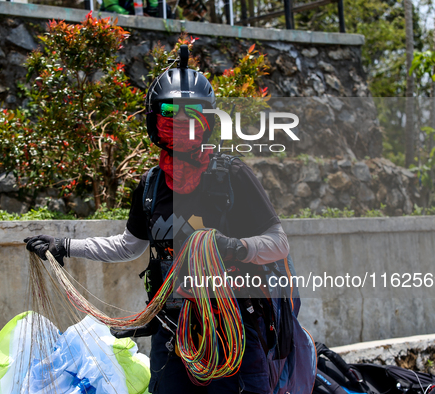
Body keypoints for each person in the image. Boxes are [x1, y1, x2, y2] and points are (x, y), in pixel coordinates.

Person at [24, 46, 313, 394]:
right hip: (172, 333)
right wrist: (64, 246)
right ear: (155, 122)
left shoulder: (232, 175)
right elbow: (129, 245)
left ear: (207, 122)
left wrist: (233, 248)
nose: (181, 125)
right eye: (170, 116)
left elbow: (278, 243)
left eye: (193, 116)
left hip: (233, 331)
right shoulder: (150, 185)